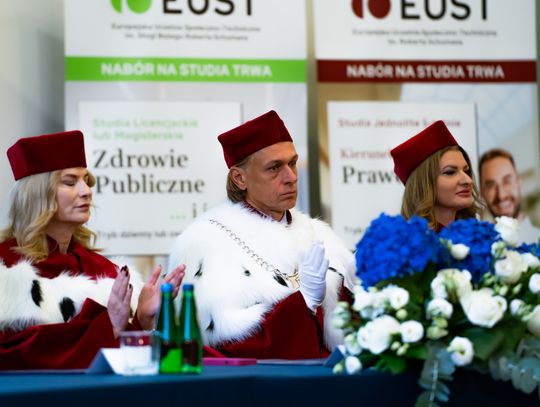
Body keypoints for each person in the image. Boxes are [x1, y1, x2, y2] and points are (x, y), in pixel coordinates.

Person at [168, 110, 355, 359]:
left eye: (292, 163)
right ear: (239, 178)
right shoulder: (204, 243)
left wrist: (358, 289)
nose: (291, 177)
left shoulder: (318, 235)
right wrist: (303, 302)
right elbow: (226, 350)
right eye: (274, 168)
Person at [0, 130, 185, 370]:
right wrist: (107, 326)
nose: (86, 191)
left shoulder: (106, 270)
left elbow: (121, 357)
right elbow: (14, 355)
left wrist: (142, 317)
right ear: (37, 194)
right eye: (70, 182)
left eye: (86, 181)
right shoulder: (6, 269)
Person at [390, 120, 483, 232]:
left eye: (466, 171)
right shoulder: (408, 242)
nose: (468, 180)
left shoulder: (480, 236)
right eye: (450, 172)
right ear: (423, 184)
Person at [479, 148, 540, 244]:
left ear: (519, 183)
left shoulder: (537, 239)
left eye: (507, 181)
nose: (501, 195)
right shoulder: (477, 246)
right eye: (491, 185)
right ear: (482, 192)